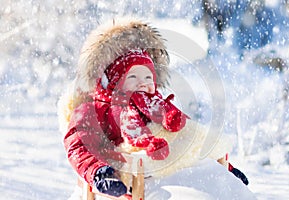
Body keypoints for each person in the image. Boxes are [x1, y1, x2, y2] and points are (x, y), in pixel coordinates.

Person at [58, 18, 248, 199]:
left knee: (187, 140)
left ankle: (222, 179)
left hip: (172, 172)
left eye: (148, 78)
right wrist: (98, 172)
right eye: (132, 77)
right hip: (133, 177)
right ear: (113, 81)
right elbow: (80, 144)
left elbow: (191, 138)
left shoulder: (157, 107)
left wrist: (224, 169)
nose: (143, 84)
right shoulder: (95, 110)